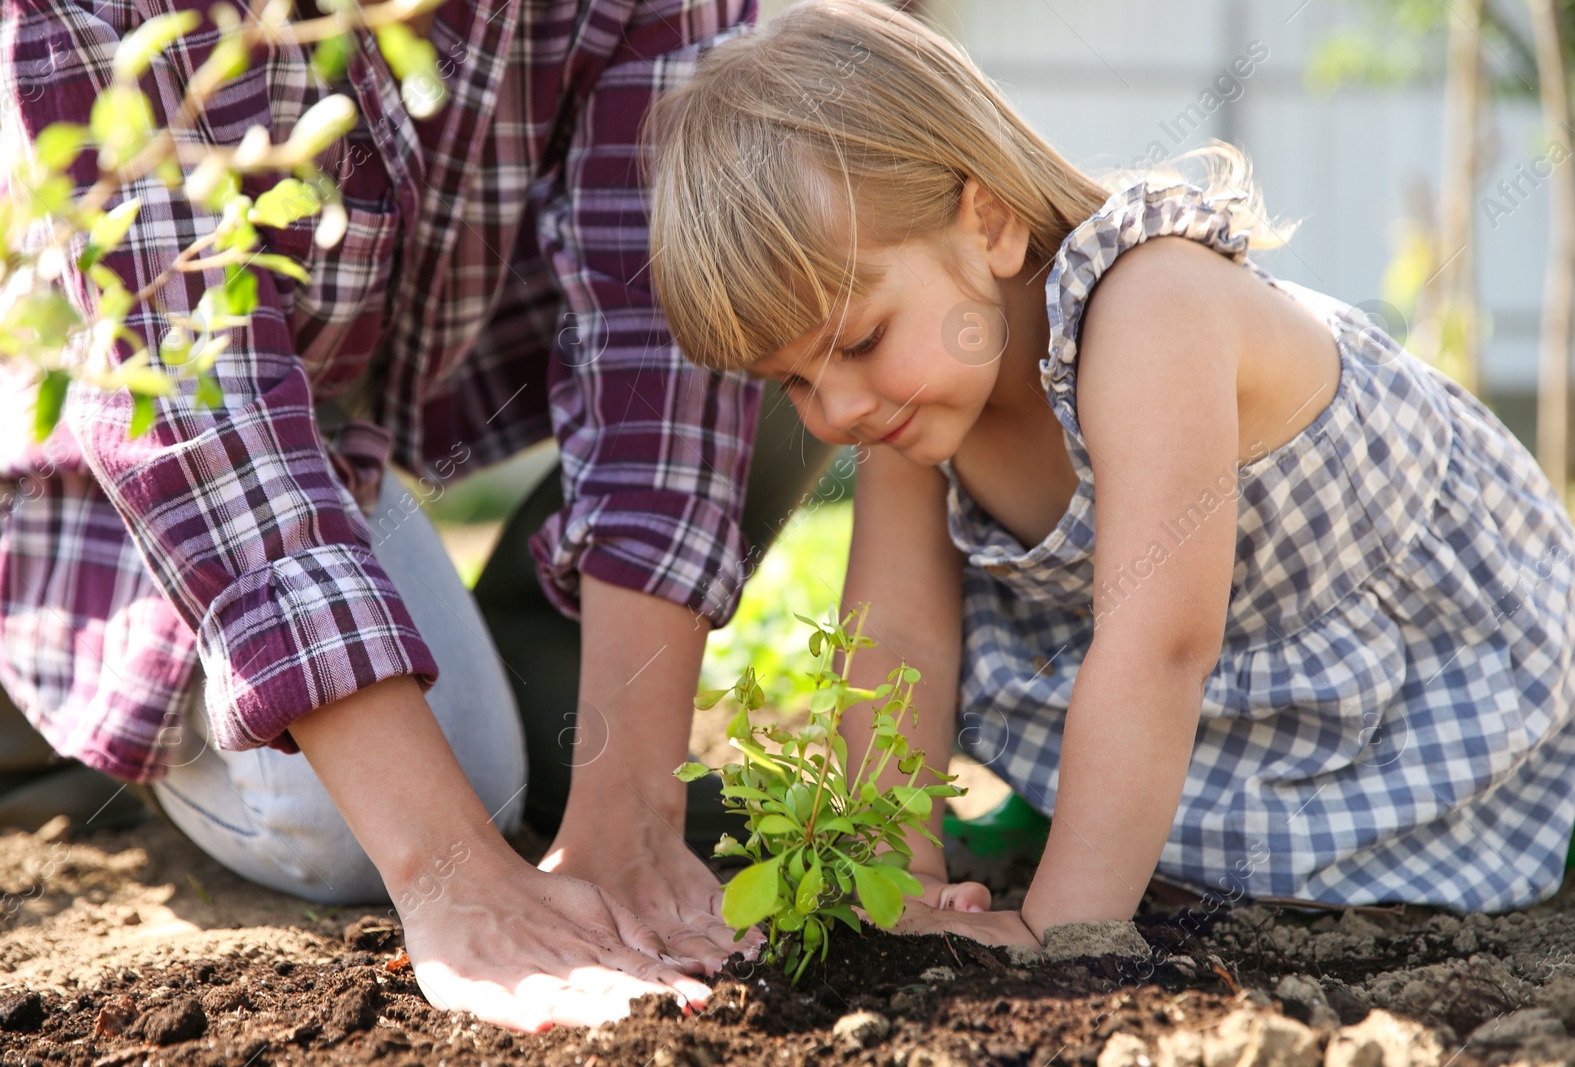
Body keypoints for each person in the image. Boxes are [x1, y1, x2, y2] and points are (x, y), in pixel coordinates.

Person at [0, 0, 836, 1031]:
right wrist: (450, 868)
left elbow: (662, 308)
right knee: (362, 830)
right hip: (145, 428)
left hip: (396, 378)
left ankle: (544, 696)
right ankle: (56, 669)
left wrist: (632, 816)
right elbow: (198, 394)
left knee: (796, 328)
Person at [645, 0, 1575, 945]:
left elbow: (1164, 646)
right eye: (794, 380)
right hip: (1209, 683)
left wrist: (1060, 929)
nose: (835, 410)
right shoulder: (920, 407)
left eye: (861, 340)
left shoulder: (1149, 310)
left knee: (1308, 898)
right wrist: (903, 872)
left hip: (1414, 674)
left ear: (991, 224)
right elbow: (897, 638)